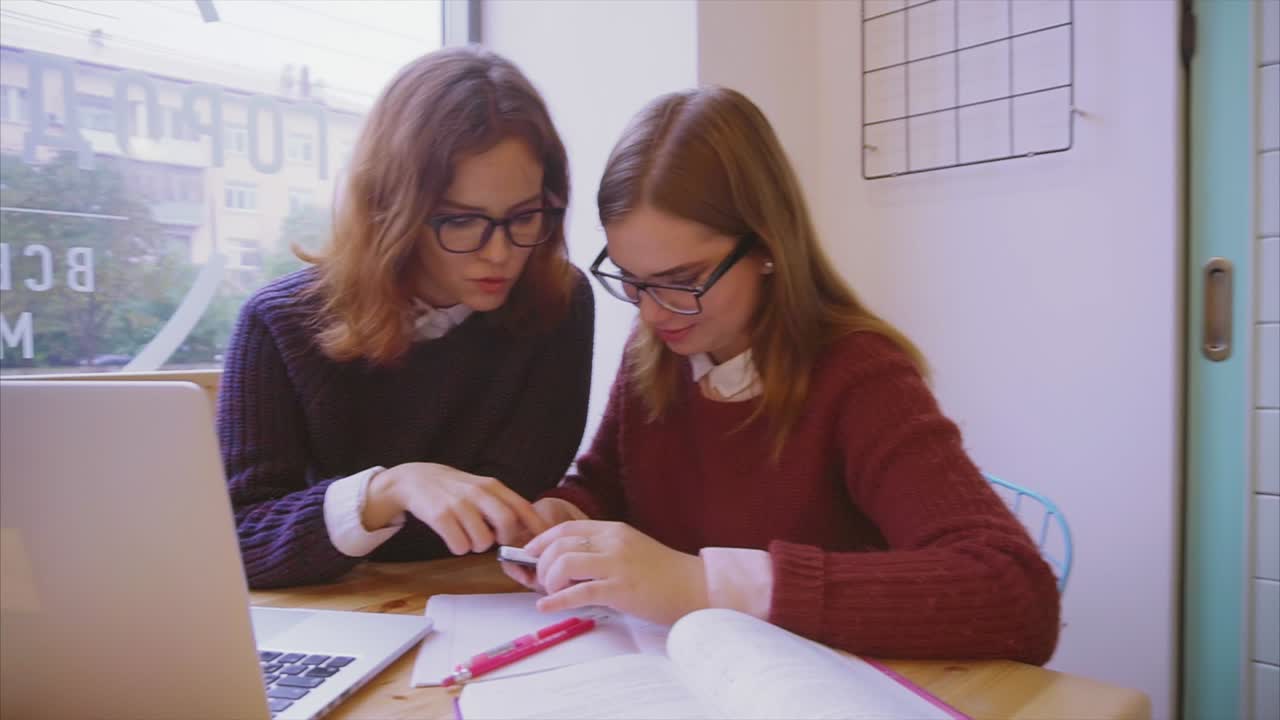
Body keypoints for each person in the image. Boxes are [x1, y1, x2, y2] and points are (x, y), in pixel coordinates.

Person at [504, 87, 1060, 664]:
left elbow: (1016, 594)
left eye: (682, 279)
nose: (651, 311)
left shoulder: (860, 375)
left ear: (767, 246)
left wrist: (707, 585)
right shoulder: (657, 353)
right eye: (631, 279)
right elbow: (607, 483)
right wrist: (565, 516)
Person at [218, 46, 594, 590]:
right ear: (392, 210)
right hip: (333, 614)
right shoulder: (278, 324)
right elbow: (237, 544)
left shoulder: (557, 302)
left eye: (524, 216)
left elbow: (504, 510)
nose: (500, 253)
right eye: (462, 221)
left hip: (482, 603)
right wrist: (386, 490)